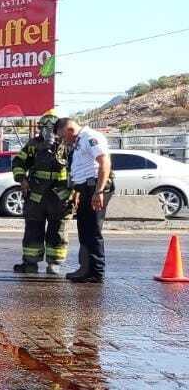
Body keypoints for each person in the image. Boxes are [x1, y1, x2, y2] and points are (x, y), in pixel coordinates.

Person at [11, 110, 72, 274]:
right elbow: (18, 161)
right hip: (36, 195)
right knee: (33, 229)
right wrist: (21, 179)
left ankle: (54, 263)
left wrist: (74, 191)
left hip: (59, 196)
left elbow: (77, 168)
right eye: (44, 127)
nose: (48, 130)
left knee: (58, 229)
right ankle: (30, 263)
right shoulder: (33, 144)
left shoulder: (68, 145)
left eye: (51, 127)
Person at [56, 116, 111, 283]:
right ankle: (86, 268)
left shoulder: (90, 138)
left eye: (63, 136)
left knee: (93, 231)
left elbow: (104, 163)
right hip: (85, 189)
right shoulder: (79, 141)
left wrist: (99, 191)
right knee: (85, 230)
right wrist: (77, 192)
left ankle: (96, 272)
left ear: (69, 130)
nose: (63, 140)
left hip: (95, 188)